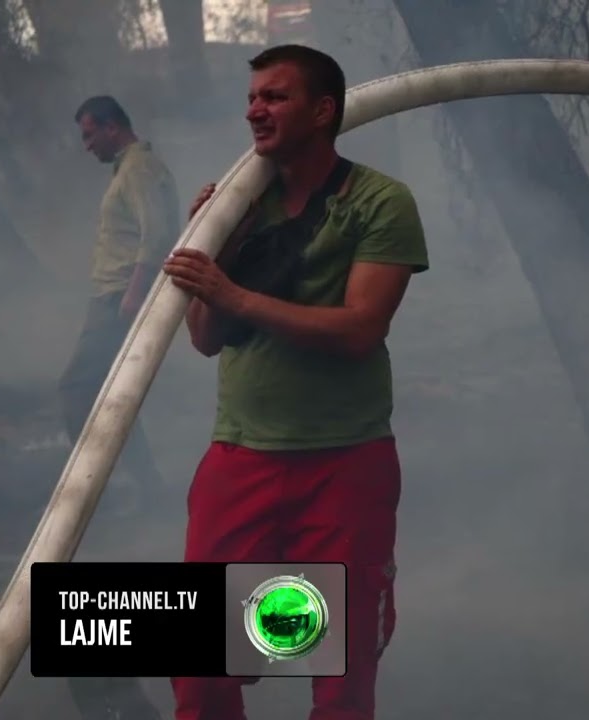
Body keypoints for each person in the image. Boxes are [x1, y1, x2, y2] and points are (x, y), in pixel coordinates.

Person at [161, 44, 429, 719]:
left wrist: (233, 291)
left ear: (322, 111)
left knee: (342, 671)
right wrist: (217, 242)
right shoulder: (240, 206)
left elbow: (361, 328)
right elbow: (205, 338)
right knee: (204, 667)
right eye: (253, 98)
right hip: (239, 458)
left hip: (345, 460)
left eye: (275, 96)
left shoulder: (378, 200)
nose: (256, 110)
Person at [63, 95, 175, 720]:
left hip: (117, 300)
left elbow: (157, 236)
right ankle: (134, 479)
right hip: (109, 296)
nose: (87, 146)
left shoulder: (140, 167)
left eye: (90, 134)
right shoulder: (127, 168)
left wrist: (133, 300)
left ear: (112, 126)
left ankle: (102, 485)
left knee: (78, 392)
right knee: (109, 399)